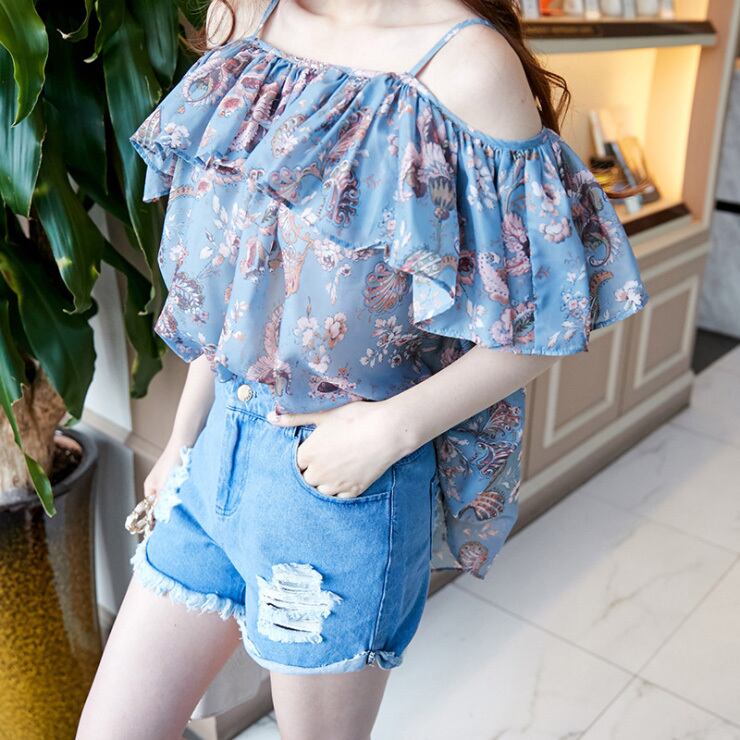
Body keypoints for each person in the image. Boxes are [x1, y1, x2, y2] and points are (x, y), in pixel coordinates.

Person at [77, 1, 649, 738]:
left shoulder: (466, 63)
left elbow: (546, 315)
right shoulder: (245, 17)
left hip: (337, 494)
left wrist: (388, 433)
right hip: (214, 457)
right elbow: (243, 288)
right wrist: (183, 441)